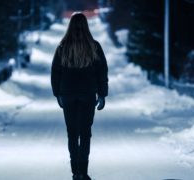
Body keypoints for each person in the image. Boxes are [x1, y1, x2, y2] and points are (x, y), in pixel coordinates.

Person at [51, 12, 108, 180]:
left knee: (72, 133)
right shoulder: (94, 46)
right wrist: (102, 94)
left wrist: (57, 94)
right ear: (86, 26)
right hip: (88, 94)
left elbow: (55, 72)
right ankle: (83, 172)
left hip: (68, 94)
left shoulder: (63, 47)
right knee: (85, 133)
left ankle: (75, 172)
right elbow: (102, 71)